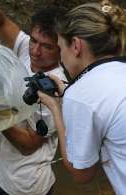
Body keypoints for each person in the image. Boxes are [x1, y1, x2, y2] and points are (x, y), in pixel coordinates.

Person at [0, 6, 68, 195]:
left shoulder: (56, 90)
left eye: (47, 46)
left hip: (24, 185)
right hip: (1, 172)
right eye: (33, 40)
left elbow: (28, 145)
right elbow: (1, 20)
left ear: (62, 50)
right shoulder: (27, 52)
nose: (35, 51)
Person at [36, 1, 126, 194]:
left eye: (61, 48)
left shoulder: (80, 94)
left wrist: (57, 109)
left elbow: (82, 173)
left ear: (76, 46)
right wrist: (69, 95)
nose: (61, 57)